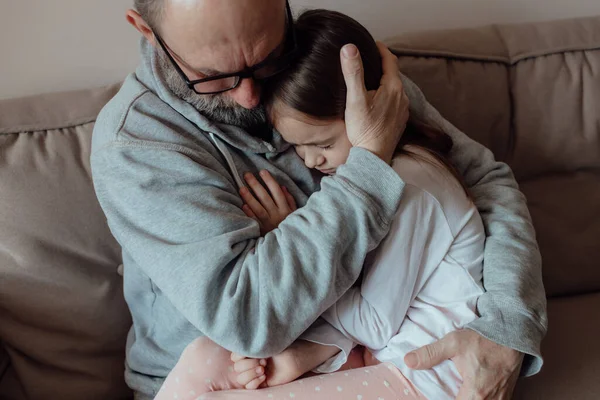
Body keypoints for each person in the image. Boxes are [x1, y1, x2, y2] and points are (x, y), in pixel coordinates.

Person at [90, 0, 546, 399]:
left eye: (268, 56)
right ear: (147, 32)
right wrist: (369, 163)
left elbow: (481, 180)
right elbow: (249, 320)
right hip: (220, 374)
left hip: (365, 351)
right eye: (214, 76)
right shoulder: (138, 146)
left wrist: (506, 324)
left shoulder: (328, 68)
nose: (251, 94)